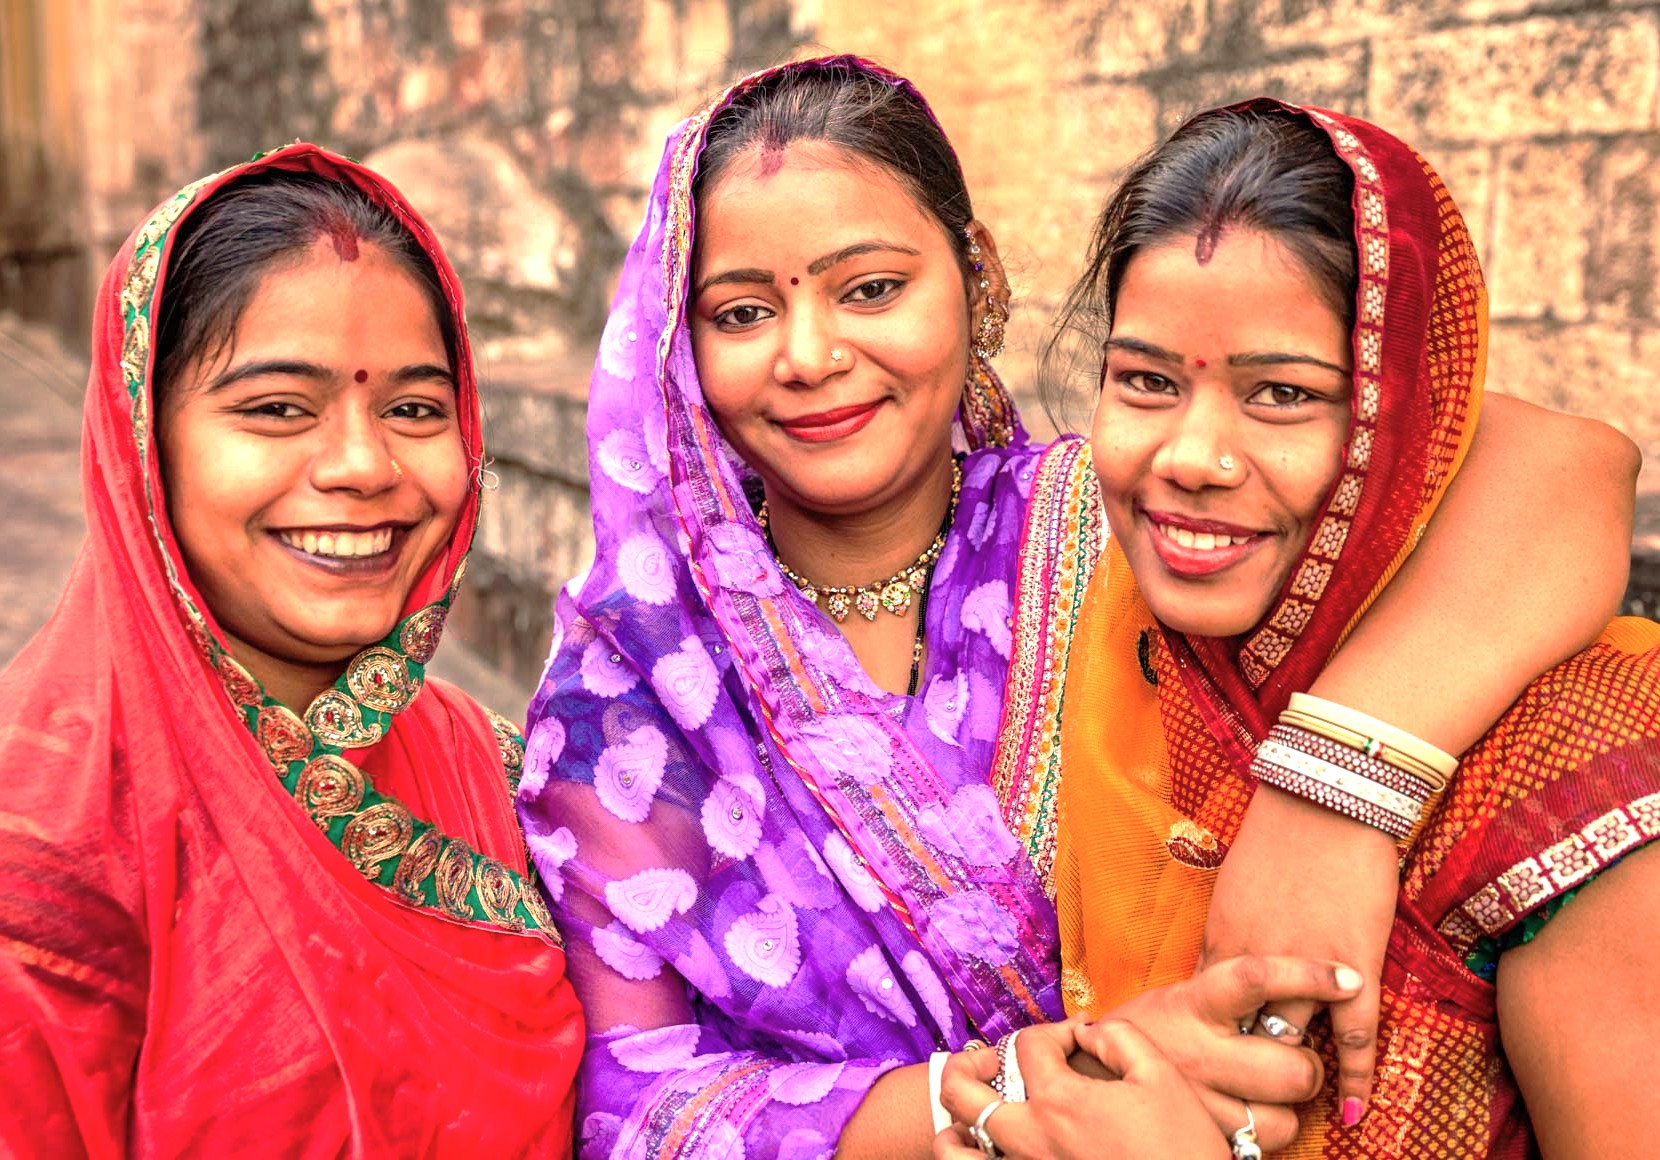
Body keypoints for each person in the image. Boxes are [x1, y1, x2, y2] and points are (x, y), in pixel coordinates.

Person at [516, 57, 1637, 1158]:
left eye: (871, 288)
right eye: (743, 310)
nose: (810, 355)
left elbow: (1556, 469)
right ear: (675, 344)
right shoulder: (634, 674)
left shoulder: (1126, 523)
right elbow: (633, 1097)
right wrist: (1002, 1099)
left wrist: (1331, 797)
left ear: (976, 279)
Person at [1029, 99, 1660, 1157]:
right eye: (1143, 380)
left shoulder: (1581, 774)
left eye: (1281, 393)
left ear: (1400, 415)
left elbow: (1569, 459)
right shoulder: (1080, 612)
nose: (1191, 453)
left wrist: (1339, 780)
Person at [0, 146, 582, 1156]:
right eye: (277, 408)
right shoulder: (45, 850)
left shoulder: (495, 768)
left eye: (413, 407)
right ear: (146, 439)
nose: (362, 464)